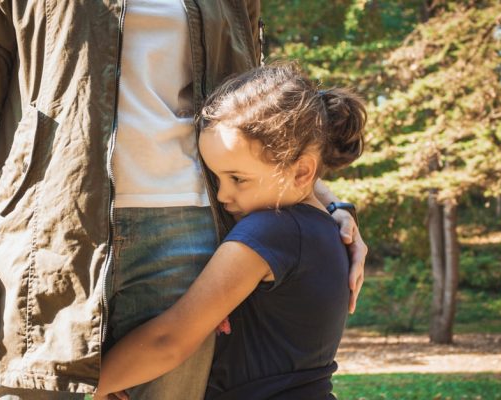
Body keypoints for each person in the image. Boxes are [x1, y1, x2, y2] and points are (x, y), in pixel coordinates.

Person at [0, 1, 367, 398]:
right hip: (47, 236)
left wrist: (321, 201)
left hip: (195, 239)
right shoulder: (267, 230)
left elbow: (261, 117)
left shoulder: (263, 229)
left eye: (234, 180)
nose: (228, 190)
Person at [93, 63, 365, 400]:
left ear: (301, 173)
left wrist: (94, 384)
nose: (223, 196)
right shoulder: (322, 228)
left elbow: (170, 341)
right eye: (217, 178)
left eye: (238, 179)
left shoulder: (270, 231)